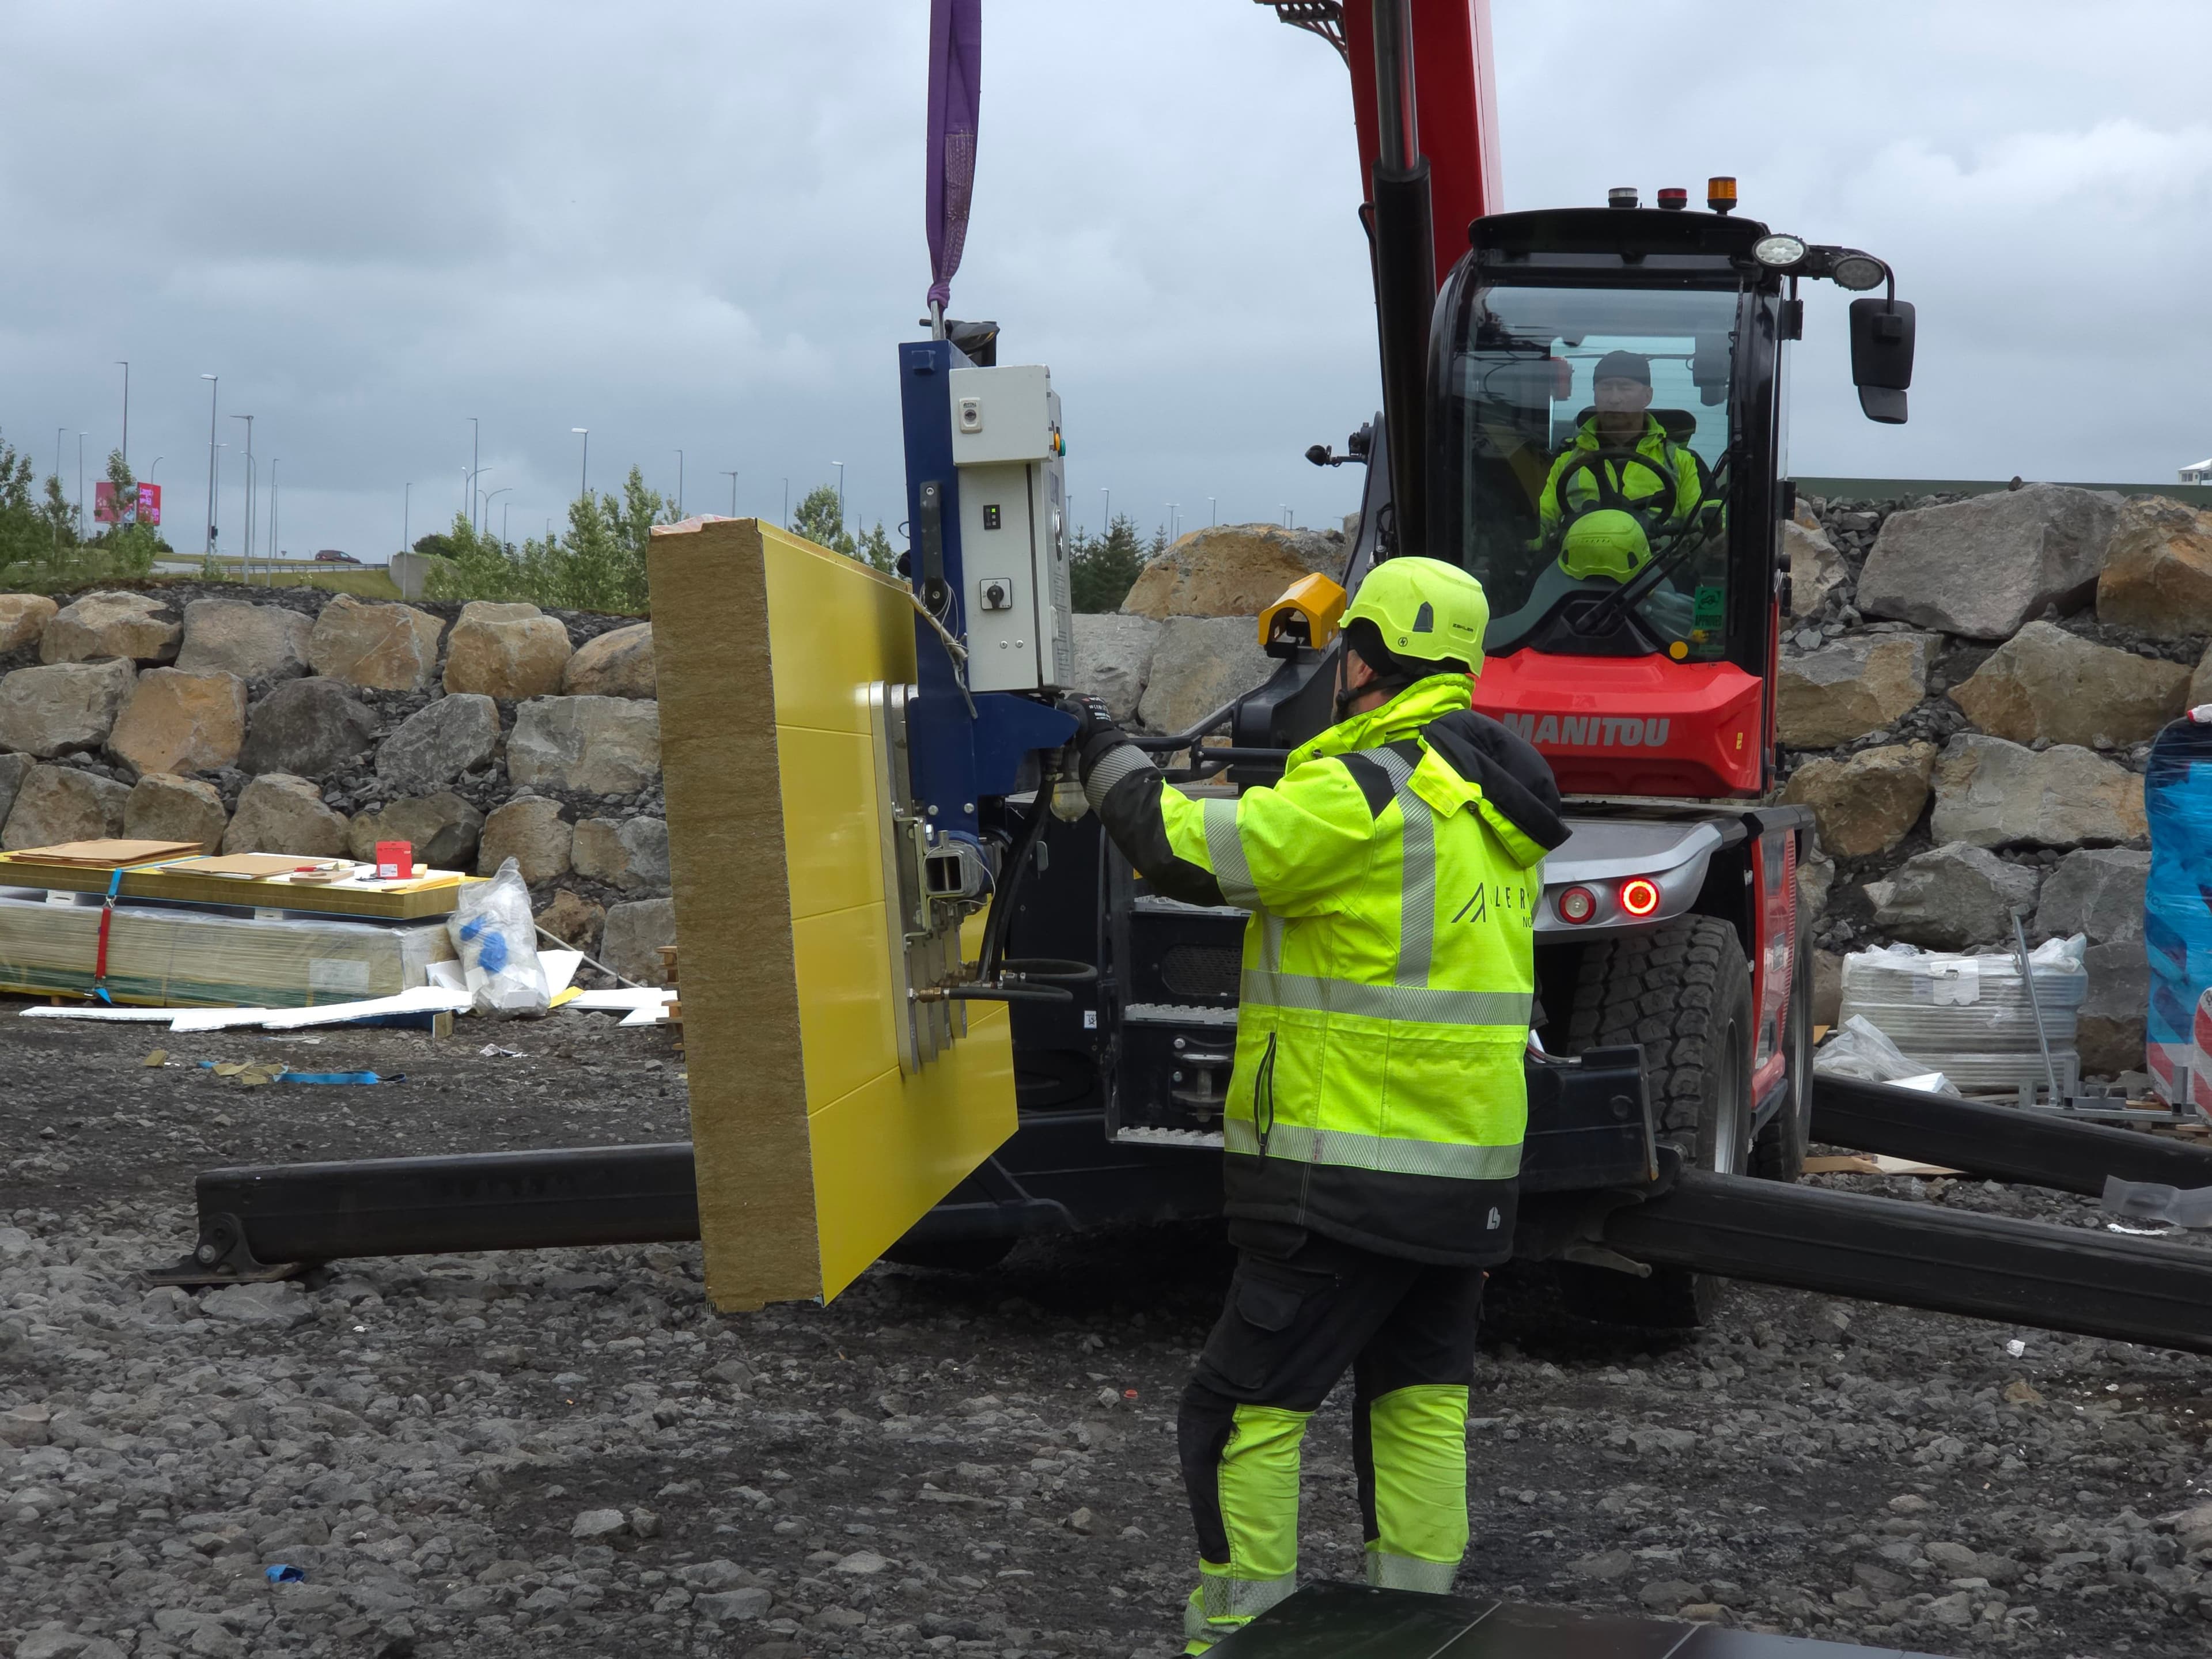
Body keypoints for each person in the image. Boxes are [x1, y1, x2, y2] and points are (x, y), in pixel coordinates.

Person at [1058, 557, 1567, 1653]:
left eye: (1350, 652)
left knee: (1238, 1414)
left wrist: (1107, 761)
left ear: (1369, 658)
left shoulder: (1376, 788)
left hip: (1351, 1169)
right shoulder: (1491, 799)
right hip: (1463, 1173)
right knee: (1416, 1410)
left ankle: (1249, 1639)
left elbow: (1185, 852)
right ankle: (1412, 1633)